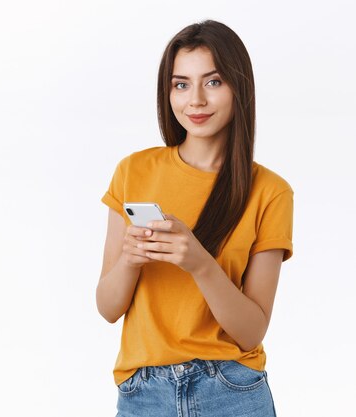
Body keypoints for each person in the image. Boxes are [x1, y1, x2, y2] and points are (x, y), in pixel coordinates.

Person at [96, 20, 293, 417]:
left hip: (232, 390)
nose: (196, 100)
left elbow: (252, 330)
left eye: (213, 82)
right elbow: (108, 307)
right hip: (144, 394)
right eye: (181, 84)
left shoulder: (270, 191)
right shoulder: (133, 171)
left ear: (239, 87)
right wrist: (131, 260)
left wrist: (200, 263)